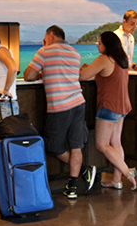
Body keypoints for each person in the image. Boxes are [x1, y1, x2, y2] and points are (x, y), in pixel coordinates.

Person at [24, 25, 96, 199]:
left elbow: (28, 76)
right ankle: (72, 187)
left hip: (60, 106)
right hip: (78, 103)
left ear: (50, 35)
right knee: (76, 145)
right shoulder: (75, 52)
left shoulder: (44, 51)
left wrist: (41, 73)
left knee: (53, 146)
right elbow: (65, 73)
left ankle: (84, 170)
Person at [80, 32, 137, 190]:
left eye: (99, 43)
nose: (97, 45)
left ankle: (128, 173)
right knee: (115, 142)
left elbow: (83, 76)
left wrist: (78, 70)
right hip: (123, 105)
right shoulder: (122, 59)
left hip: (109, 106)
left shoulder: (104, 59)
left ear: (107, 45)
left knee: (102, 144)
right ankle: (116, 180)